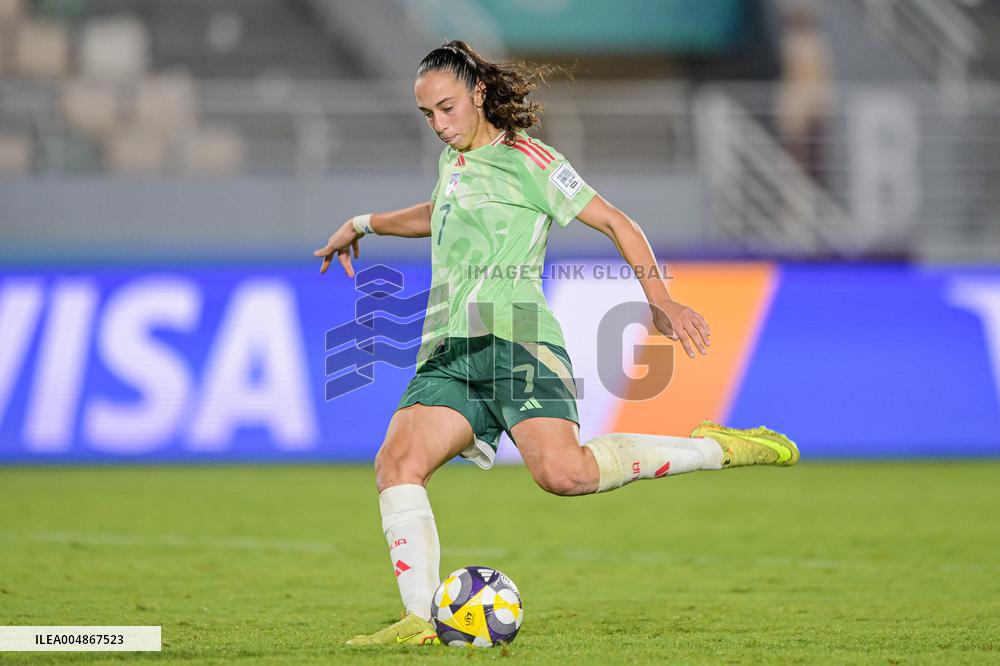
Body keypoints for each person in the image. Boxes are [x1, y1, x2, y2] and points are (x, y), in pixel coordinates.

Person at [313, 40, 799, 646]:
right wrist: (363, 223)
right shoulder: (453, 161)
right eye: (427, 114)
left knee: (565, 475)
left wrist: (661, 298)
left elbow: (616, 220)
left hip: (516, 341)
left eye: (446, 108)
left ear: (478, 94)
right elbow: (438, 211)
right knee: (396, 464)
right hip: (448, 349)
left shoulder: (531, 160)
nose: (438, 125)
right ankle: (421, 619)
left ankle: (712, 448)